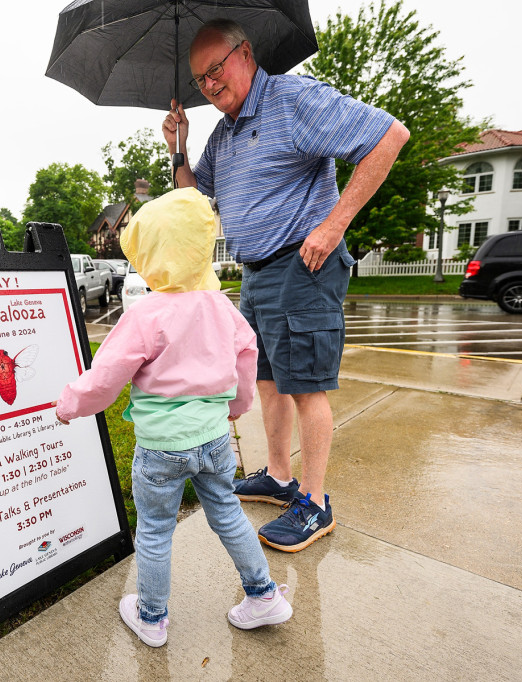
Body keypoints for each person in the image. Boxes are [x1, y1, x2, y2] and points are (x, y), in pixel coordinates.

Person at [162, 19, 409, 553]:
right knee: (269, 381)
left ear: (245, 54)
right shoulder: (224, 133)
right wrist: (178, 144)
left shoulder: (292, 99)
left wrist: (334, 224)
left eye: (215, 68)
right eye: (200, 78)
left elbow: (389, 136)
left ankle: (315, 503)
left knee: (306, 385)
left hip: (303, 266)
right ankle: (278, 476)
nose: (208, 84)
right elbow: (194, 196)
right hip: (254, 273)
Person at [54, 188, 293, 648]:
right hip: (214, 440)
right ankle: (263, 595)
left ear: (150, 254)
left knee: (156, 530)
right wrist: (236, 409)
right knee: (227, 512)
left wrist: (70, 405)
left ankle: (151, 617)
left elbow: (105, 378)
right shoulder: (223, 309)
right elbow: (247, 360)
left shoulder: (147, 315)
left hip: (162, 449)